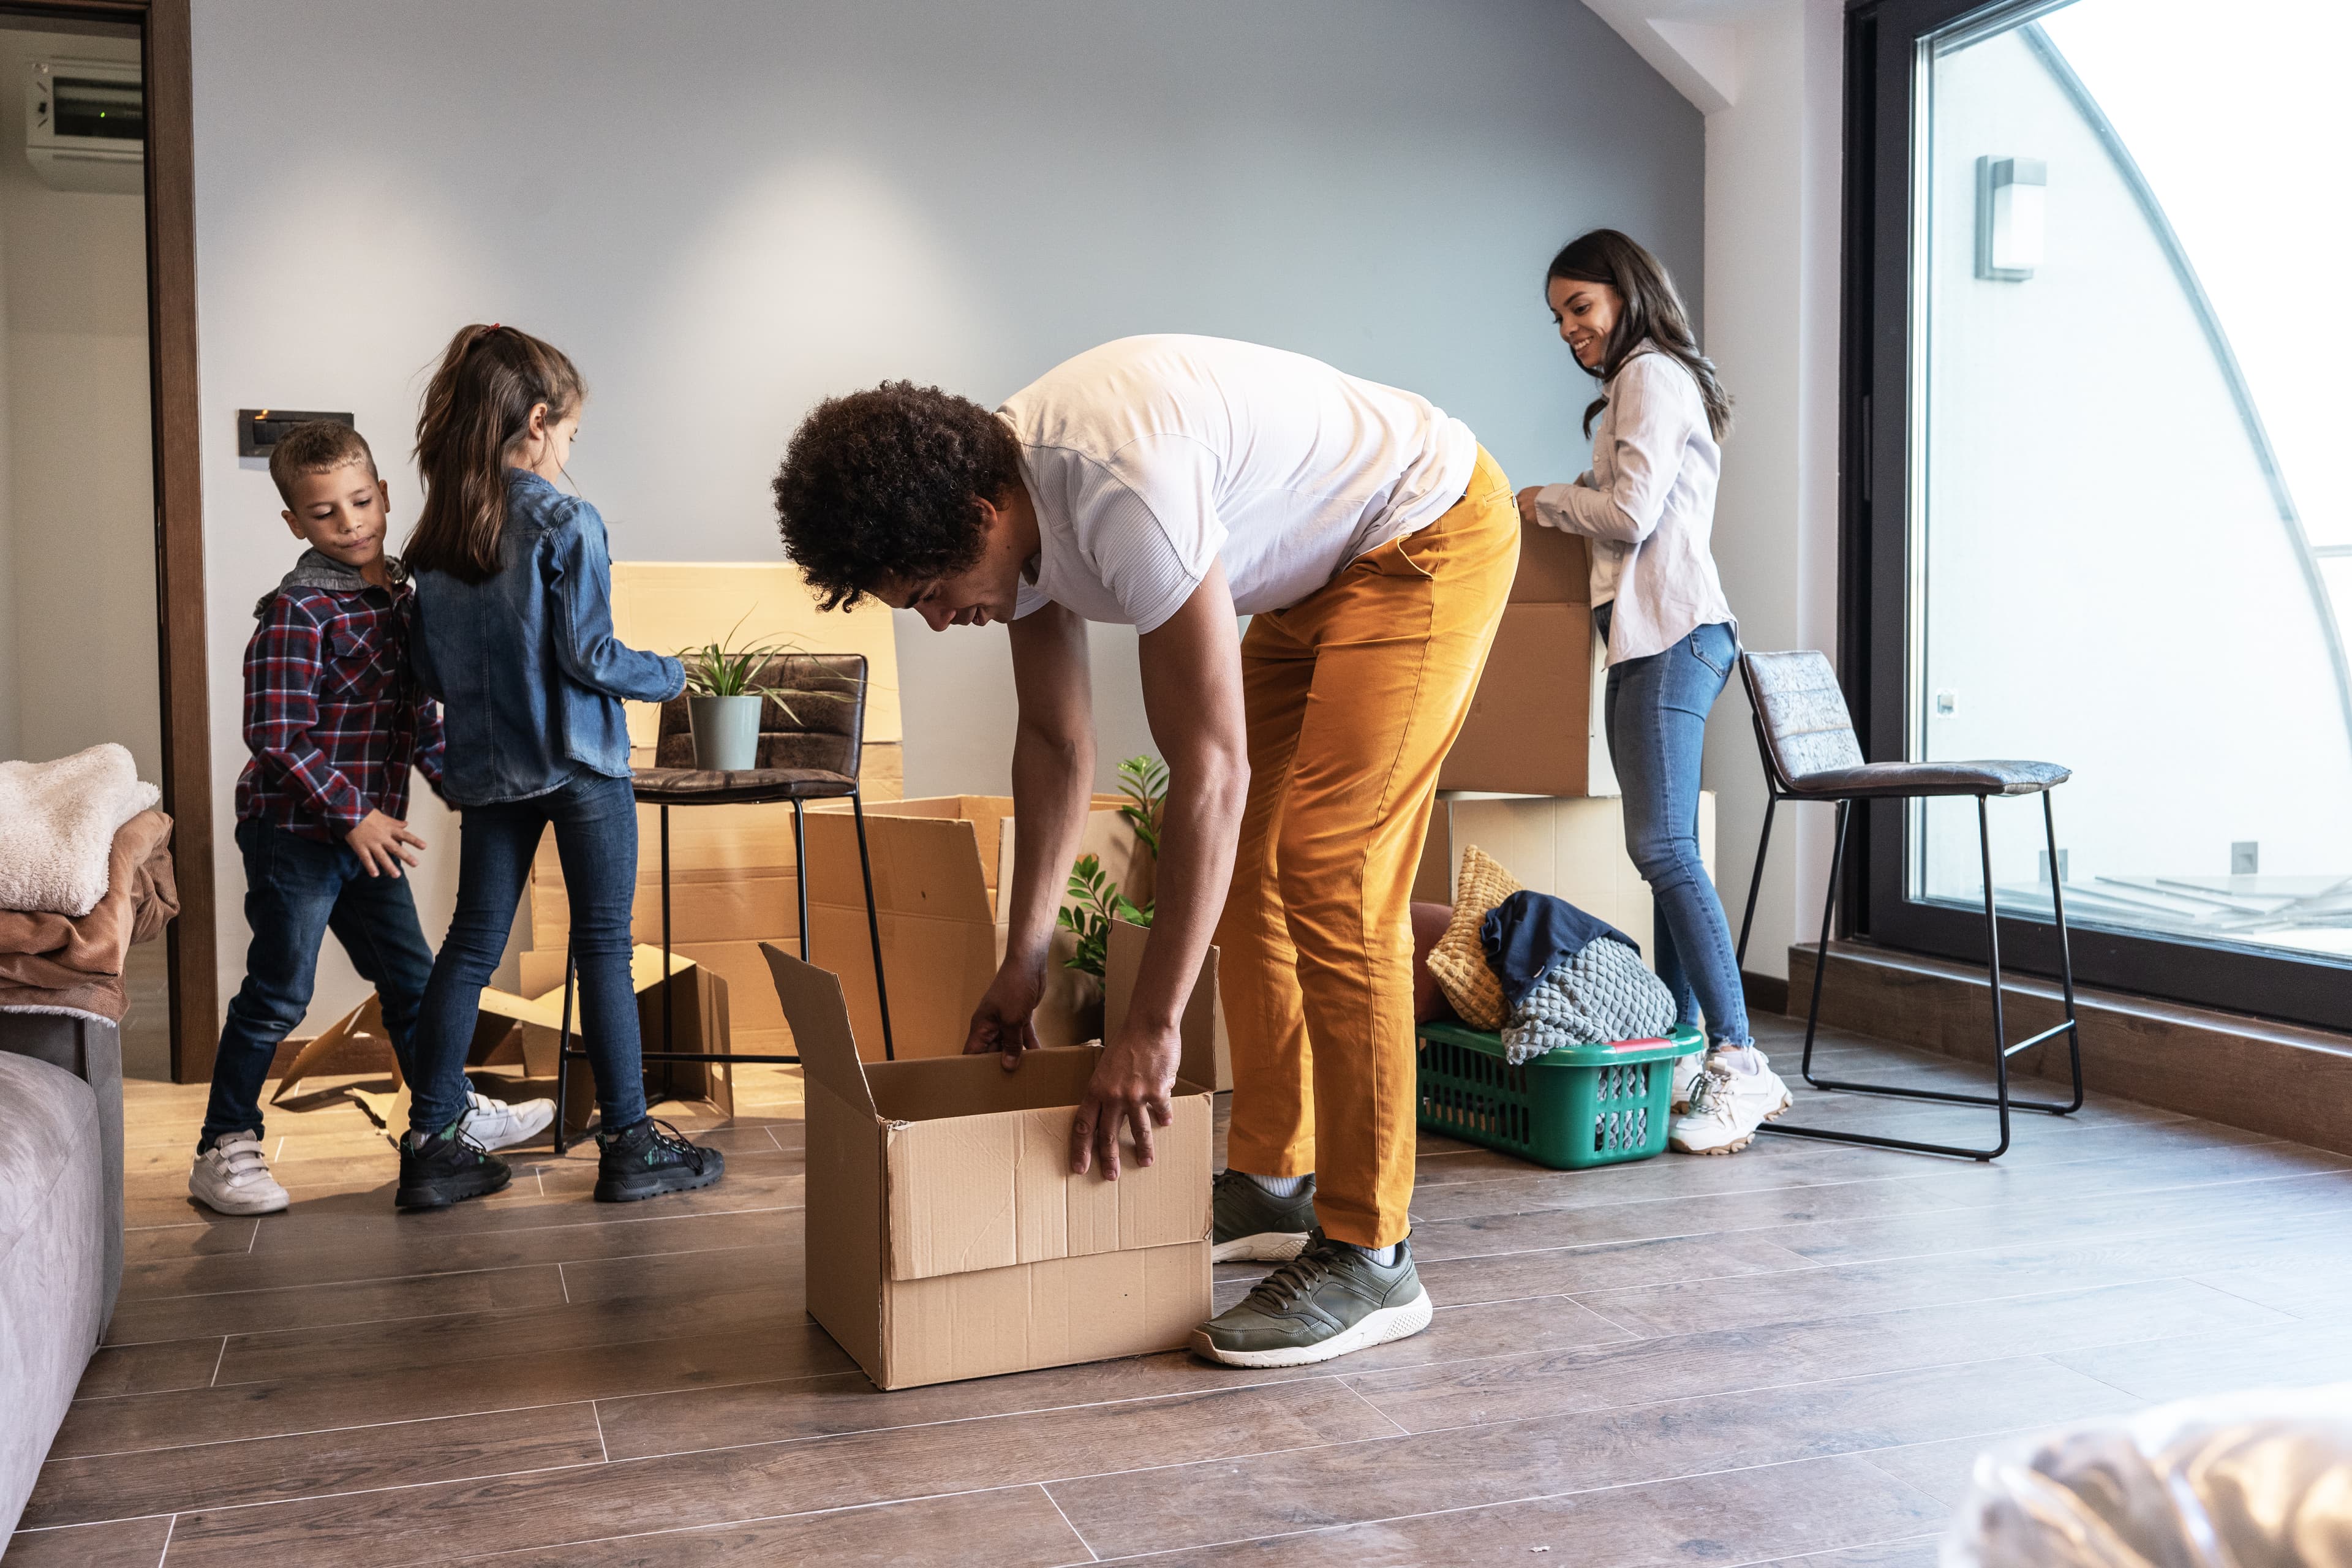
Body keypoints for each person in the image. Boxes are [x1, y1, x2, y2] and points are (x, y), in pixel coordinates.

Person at [772, 335, 1517, 1366]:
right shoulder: (997, 493)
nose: (941, 622)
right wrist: (1024, 956)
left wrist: (1151, 1029)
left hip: (1424, 532)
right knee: (1243, 866)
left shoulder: (1120, 485)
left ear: (982, 518)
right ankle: (1274, 1177)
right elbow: (1054, 743)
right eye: (918, 609)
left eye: (936, 591)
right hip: (1314, 579)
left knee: (1330, 871)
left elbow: (1209, 769)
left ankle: (1374, 1250)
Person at [396, 324, 724, 1211]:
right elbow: (589, 655)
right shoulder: (564, 520)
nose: (568, 451)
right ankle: (628, 1144)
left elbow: (426, 675)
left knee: (468, 947)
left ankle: (431, 1145)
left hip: (489, 778)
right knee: (605, 949)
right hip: (580, 768)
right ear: (537, 422)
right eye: (570, 434)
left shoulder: (433, 545)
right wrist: (672, 673)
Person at [191, 421, 553, 1217]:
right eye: (325, 513)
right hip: (297, 834)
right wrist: (354, 815)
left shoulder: (403, 596)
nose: (350, 522)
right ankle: (225, 1146)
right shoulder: (299, 610)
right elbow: (274, 734)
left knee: (414, 987)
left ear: (385, 496)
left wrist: (463, 783)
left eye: (361, 502)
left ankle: (447, 1114)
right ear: (296, 523)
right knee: (279, 993)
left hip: (367, 833)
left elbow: (415, 715)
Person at [1515, 228, 1792, 1155]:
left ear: (1625, 295)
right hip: (1646, 641)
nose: (1568, 330)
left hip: (1676, 635)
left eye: (1579, 307)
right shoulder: (1642, 381)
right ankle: (1683, 1051)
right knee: (1661, 855)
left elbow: (1628, 515)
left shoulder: (1650, 373)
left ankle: (1741, 1065)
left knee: (1664, 846)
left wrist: (1543, 500)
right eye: (1558, 317)